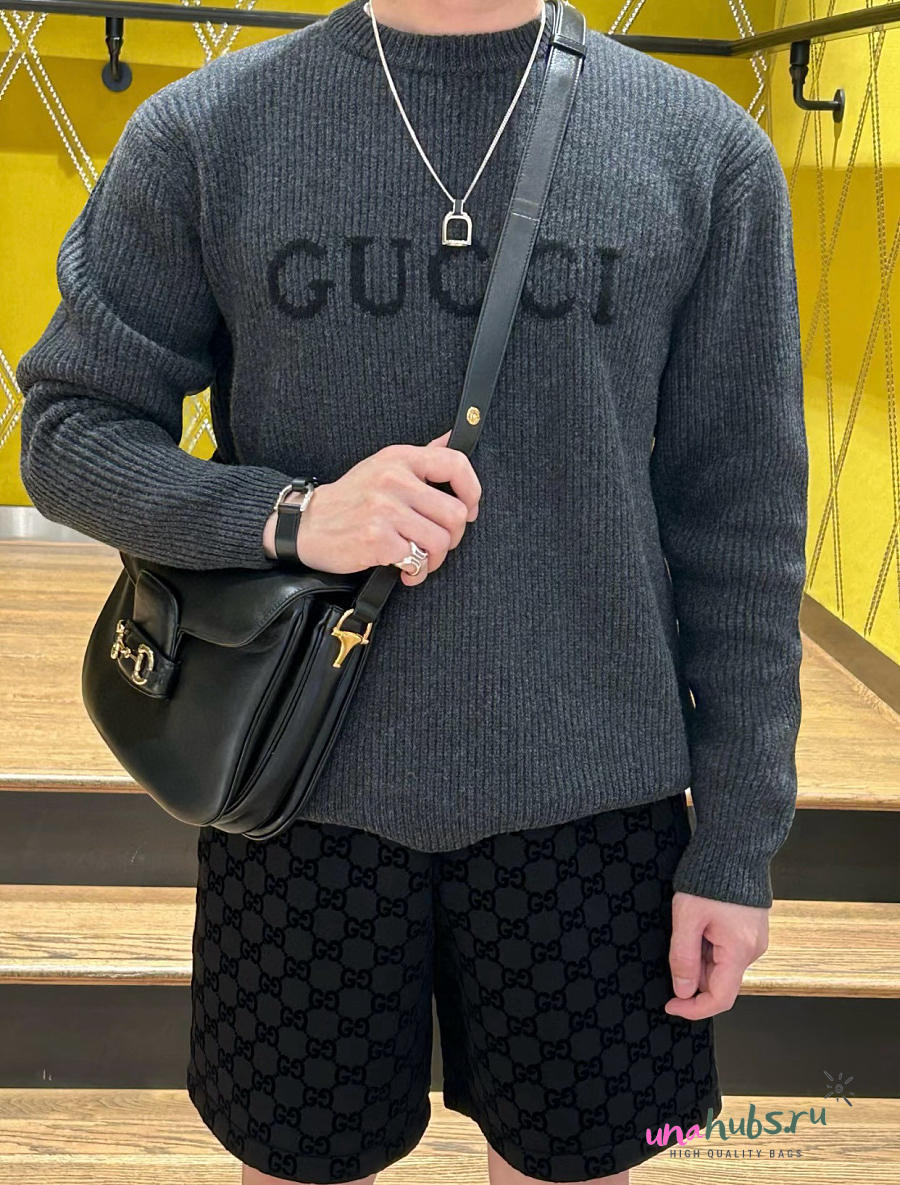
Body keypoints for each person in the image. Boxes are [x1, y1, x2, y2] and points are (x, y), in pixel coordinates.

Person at [15, 0, 808, 1181]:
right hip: (296, 792)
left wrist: (738, 848)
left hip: (597, 805)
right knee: (299, 1163)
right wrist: (289, 516)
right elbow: (68, 430)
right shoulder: (209, 132)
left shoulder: (702, 152)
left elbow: (744, 528)